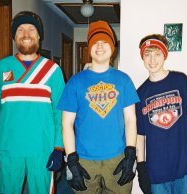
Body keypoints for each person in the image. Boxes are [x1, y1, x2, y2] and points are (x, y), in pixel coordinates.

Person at [0, 11, 65, 194]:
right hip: (7, 150)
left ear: (39, 35)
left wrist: (59, 147)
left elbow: (61, 113)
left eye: (31, 29)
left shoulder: (53, 71)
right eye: (20, 29)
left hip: (43, 149)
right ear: (14, 36)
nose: (26, 34)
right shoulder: (1, 67)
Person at [57, 20, 139, 194]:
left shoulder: (124, 80)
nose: (100, 46)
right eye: (95, 42)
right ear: (89, 48)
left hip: (118, 158)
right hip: (84, 160)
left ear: (112, 47)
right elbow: (66, 124)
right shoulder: (75, 82)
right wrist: (71, 159)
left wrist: (131, 153)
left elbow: (131, 120)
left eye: (104, 42)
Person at [136, 34, 187, 194]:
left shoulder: (180, 81)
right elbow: (140, 135)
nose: (152, 60)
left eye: (157, 54)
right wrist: (141, 166)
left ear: (164, 55)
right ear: (142, 58)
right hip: (156, 174)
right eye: (147, 54)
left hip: (185, 168)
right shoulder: (140, 93)